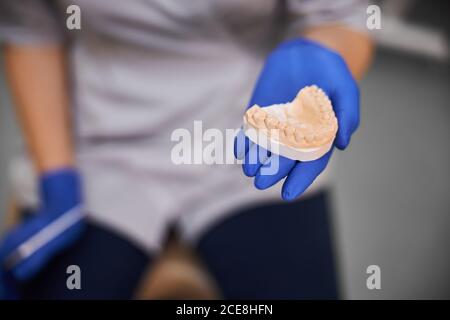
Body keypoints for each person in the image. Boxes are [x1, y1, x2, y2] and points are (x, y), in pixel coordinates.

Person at [0, 0, 373, 299]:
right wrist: (57, 177)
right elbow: (29, 26)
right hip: (99, 142)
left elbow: (339, 15)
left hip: (252, 138)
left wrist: (322, 57)